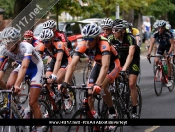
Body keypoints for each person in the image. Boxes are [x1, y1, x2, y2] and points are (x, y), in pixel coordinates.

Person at [61, 23, 120, 130]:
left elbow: (106, 65)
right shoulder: (83, 44)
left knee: (101, 86)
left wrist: (97, 84)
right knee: (89, 92)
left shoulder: (104, 44)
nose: (88, 41)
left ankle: (112, 112)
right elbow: (72, 64)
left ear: (97, 38)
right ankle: (94, 115)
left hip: (112, 65)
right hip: (98, 64)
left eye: (91, 39)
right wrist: (65, 82)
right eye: (86, 38)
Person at [0, 27, 44, 132]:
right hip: (21, 66)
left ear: (17, 41)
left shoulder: (26, 47)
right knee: (8, 86)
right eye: (6, 43)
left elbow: (25, 67)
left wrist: (17, 85)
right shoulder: (4, 49)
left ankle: (39, 129)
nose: (7, 46)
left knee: (33, 102)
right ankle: (20, 108)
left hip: (35, 68)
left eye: (10, 43)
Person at [110, 20, 140, 119]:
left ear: (122, 31)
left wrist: (124, 70)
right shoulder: (111, 39)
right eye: (112, 30)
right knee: (115, 75)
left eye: (115, 30)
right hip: (120, 58)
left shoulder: (130, 38)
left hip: (133, 59)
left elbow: (131, 55)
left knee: (131, 84)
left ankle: (135, 109)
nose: (113, 32)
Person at [37, 29, 71, 99]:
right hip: (54, 59)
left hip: (65, 60)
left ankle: (66, 95)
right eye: (43, 42)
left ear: (52, 39)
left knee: (57, 79)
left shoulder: (59, 44)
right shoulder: (42, 45)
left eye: (47, 41)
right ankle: (53, 96)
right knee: (47, 81)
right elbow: (38, 61)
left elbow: (59, 60)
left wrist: (54, 74)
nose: (45, 44)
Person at [147, 20, 174, 87]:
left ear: (164, 28)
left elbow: (172, 44)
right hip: (161, 46)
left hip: (169, 46)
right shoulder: (156, 33)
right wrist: (149, 53)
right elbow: (152, 43)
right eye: (159, 28)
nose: (160, 29)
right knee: (156, 60)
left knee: (168, 61)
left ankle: (170, 79)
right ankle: (161, 71)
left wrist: (169, 53)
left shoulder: (169, 33)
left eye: (162, 28)